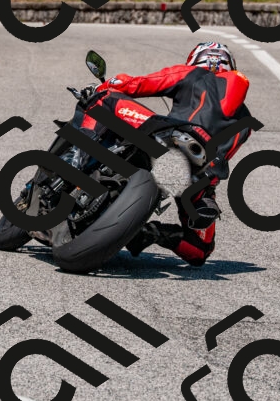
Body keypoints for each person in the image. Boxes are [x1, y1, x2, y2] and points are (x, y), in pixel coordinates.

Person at [68, 42, 252, 266]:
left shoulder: (192, 73)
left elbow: (138, 84)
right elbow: (226, 154)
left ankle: (77, 160)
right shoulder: (245, 120)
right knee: (199, 249)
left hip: (172, 138)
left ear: (196, 60)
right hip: (200, 172)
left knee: (104, 97)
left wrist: (108, 83)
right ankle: (152, 233)